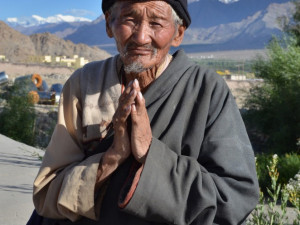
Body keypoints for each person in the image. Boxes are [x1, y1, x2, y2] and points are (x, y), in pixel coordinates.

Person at [32, 0, 259, 224]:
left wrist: (150, 153)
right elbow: (47, 193)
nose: (141, 37)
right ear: (109, 24)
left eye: (156, 23)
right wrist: (113, 156)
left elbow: (234, 200)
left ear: (178, 33)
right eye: (130, 19)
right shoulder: (85, 84)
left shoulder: (206, 90)